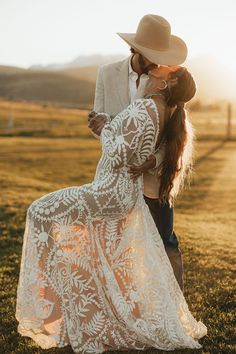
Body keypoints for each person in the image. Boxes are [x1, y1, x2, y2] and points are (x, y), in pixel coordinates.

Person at [15, 65, 207, 353]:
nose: (154, 71)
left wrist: (105, 128)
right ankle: (66, 307)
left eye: (161, 70)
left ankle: (48, 306)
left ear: (169, 81)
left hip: (109, 191)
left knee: (40, 211)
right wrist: (111, 125)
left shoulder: (147, 107)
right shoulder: (166, 111)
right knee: (84, 243)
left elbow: (118, 154)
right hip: (123, 193)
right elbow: (137, 144)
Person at [89, 14, 188, 290]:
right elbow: (101, 120)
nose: (157, 62)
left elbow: (174, 133)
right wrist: (100, 128)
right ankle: (129, 301)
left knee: (166, 240)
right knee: (119, 244)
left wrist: (153, 160)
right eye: (151, 55)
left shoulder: (163, 81)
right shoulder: (107, 73)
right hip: (118, 177)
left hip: (154, 179)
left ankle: (176, 304)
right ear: (135, 50)